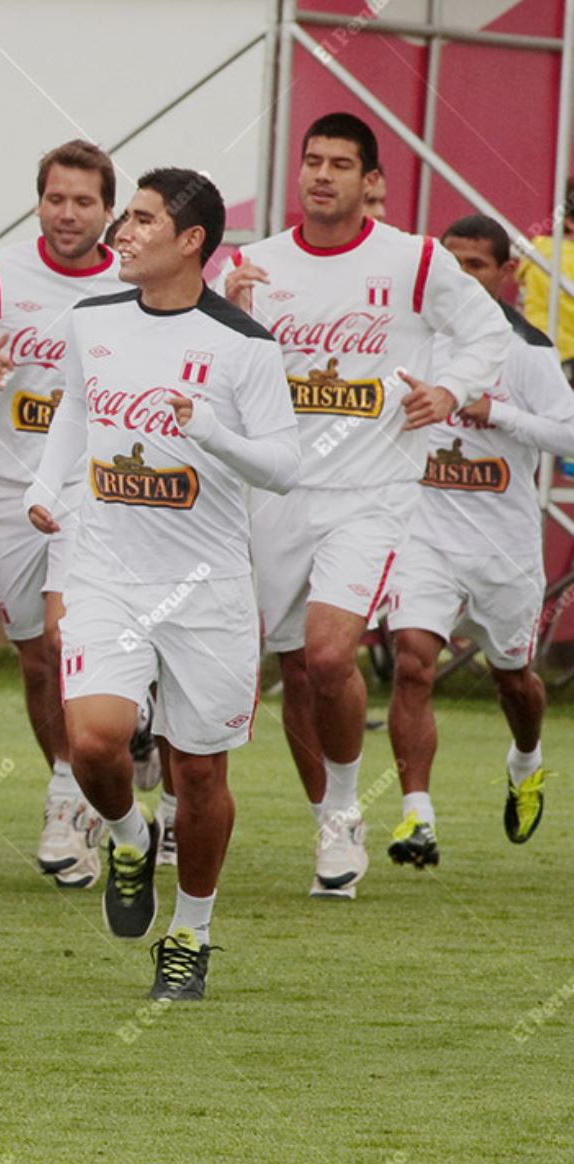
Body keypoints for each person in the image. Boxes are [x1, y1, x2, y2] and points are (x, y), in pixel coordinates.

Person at [222, 112, 510, 898]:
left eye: (340, 164)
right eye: (311, 161)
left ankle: (348, 807)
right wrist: (232, 314)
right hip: (277, 492)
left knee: (326, 655)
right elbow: (213, 369)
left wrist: (450, 388)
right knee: (295, 670)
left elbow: (490, 335)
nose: (321, 175)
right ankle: (327, 819)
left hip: (369, 493)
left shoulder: (415, 260)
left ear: (369, 181)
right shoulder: (252, 265)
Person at [28, 167, 300, 999]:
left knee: (202, 777)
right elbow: (75, 409)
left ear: (191, 242)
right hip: (106, 571)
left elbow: (285, 468)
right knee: (95, 741)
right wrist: (46, 486)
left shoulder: (244, 345)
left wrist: (213, 431)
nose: (122, 231)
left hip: (209, 588)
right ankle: (128, 837)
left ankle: (190, 933)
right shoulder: (92, 319)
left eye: (142, 220)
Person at [0, 139, 147, 890]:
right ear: (39, 201)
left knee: (70, 636)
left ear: (109, 209)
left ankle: (79, 796)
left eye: (84, 202)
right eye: (56, 199)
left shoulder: (133, 281)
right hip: (13, 489)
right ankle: (73, 780)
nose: (68, 214)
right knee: (34, 652)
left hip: (103, 491)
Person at [385, 213, 574, 863]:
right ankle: (417, 818)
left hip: (502, 548)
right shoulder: (414, 340)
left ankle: (526, 762)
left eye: (475, 266)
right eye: (450, 264)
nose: (460, 278)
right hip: (424, 537)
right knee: (412, 659)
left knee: (513, 679)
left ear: (508, 274)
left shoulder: (527, 353)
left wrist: (498, 413)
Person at [518, 177, 574, 371]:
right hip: (561, 355)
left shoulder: (546, 254)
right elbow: (568, 310)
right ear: (570, 222)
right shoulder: (560, 257)